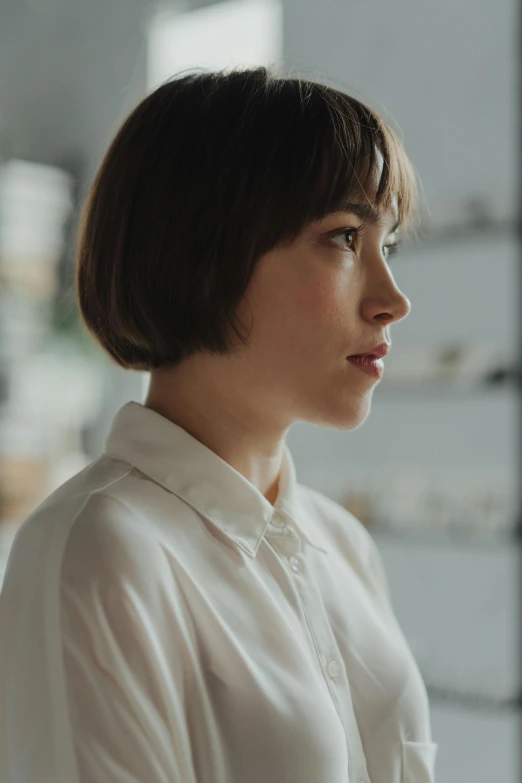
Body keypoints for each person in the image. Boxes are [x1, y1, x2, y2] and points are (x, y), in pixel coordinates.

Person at [0, 66, 438, 782]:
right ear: (204, 251)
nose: (394, 300)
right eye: (344, 238)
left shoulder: (345, 546)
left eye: (387, 246)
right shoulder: (95, 551)